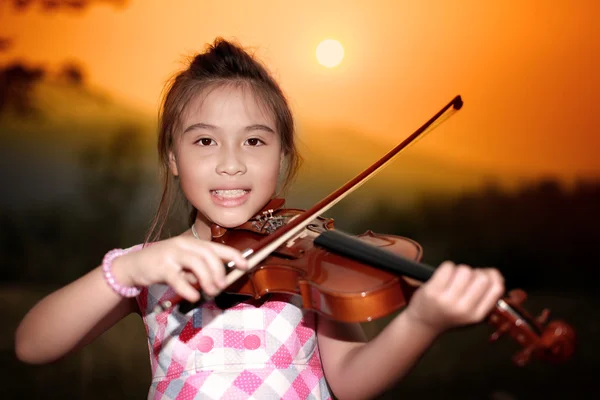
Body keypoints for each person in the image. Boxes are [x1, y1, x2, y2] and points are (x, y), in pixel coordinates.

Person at [15, 38, 505, 400]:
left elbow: (353, 381)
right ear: (172, 156)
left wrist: (420, 321)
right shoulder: (152, 268)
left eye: (254, 141)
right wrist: (125, 271)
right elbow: (32, 346)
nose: (232, 163)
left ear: (282, 155)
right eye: (205, 141)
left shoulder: (308, 266)